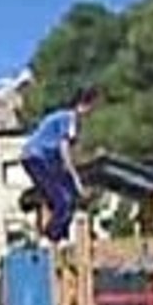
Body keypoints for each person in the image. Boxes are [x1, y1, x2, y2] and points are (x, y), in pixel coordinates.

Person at [20, 86, 99, 242]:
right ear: (84, 105)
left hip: (38, 159)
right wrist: (76, 179)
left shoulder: (66, 119)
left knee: (65, 196)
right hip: (38, 158)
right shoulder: (70, 118)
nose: (92, 114)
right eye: (92, 108)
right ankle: (51, 237)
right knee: (65, 200)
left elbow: (69, 153)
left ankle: (58, 232)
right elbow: (65, 152)